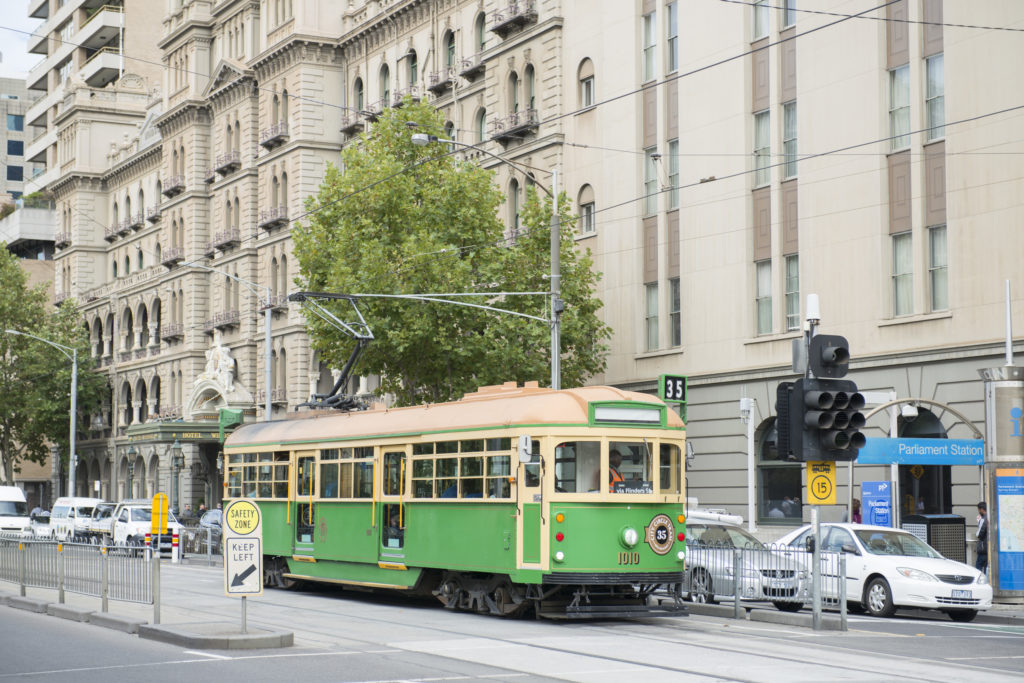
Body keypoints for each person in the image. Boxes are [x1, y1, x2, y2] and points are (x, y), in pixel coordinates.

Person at [976, 501, 989, 573]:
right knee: (986, 569)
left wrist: (979, 522)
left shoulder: (983, 519)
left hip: (983, 549)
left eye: (978, 510)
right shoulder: (990, 517)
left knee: (978, 568)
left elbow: (979, 534)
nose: (978, 512)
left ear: (981, 509)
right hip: (988, 549)